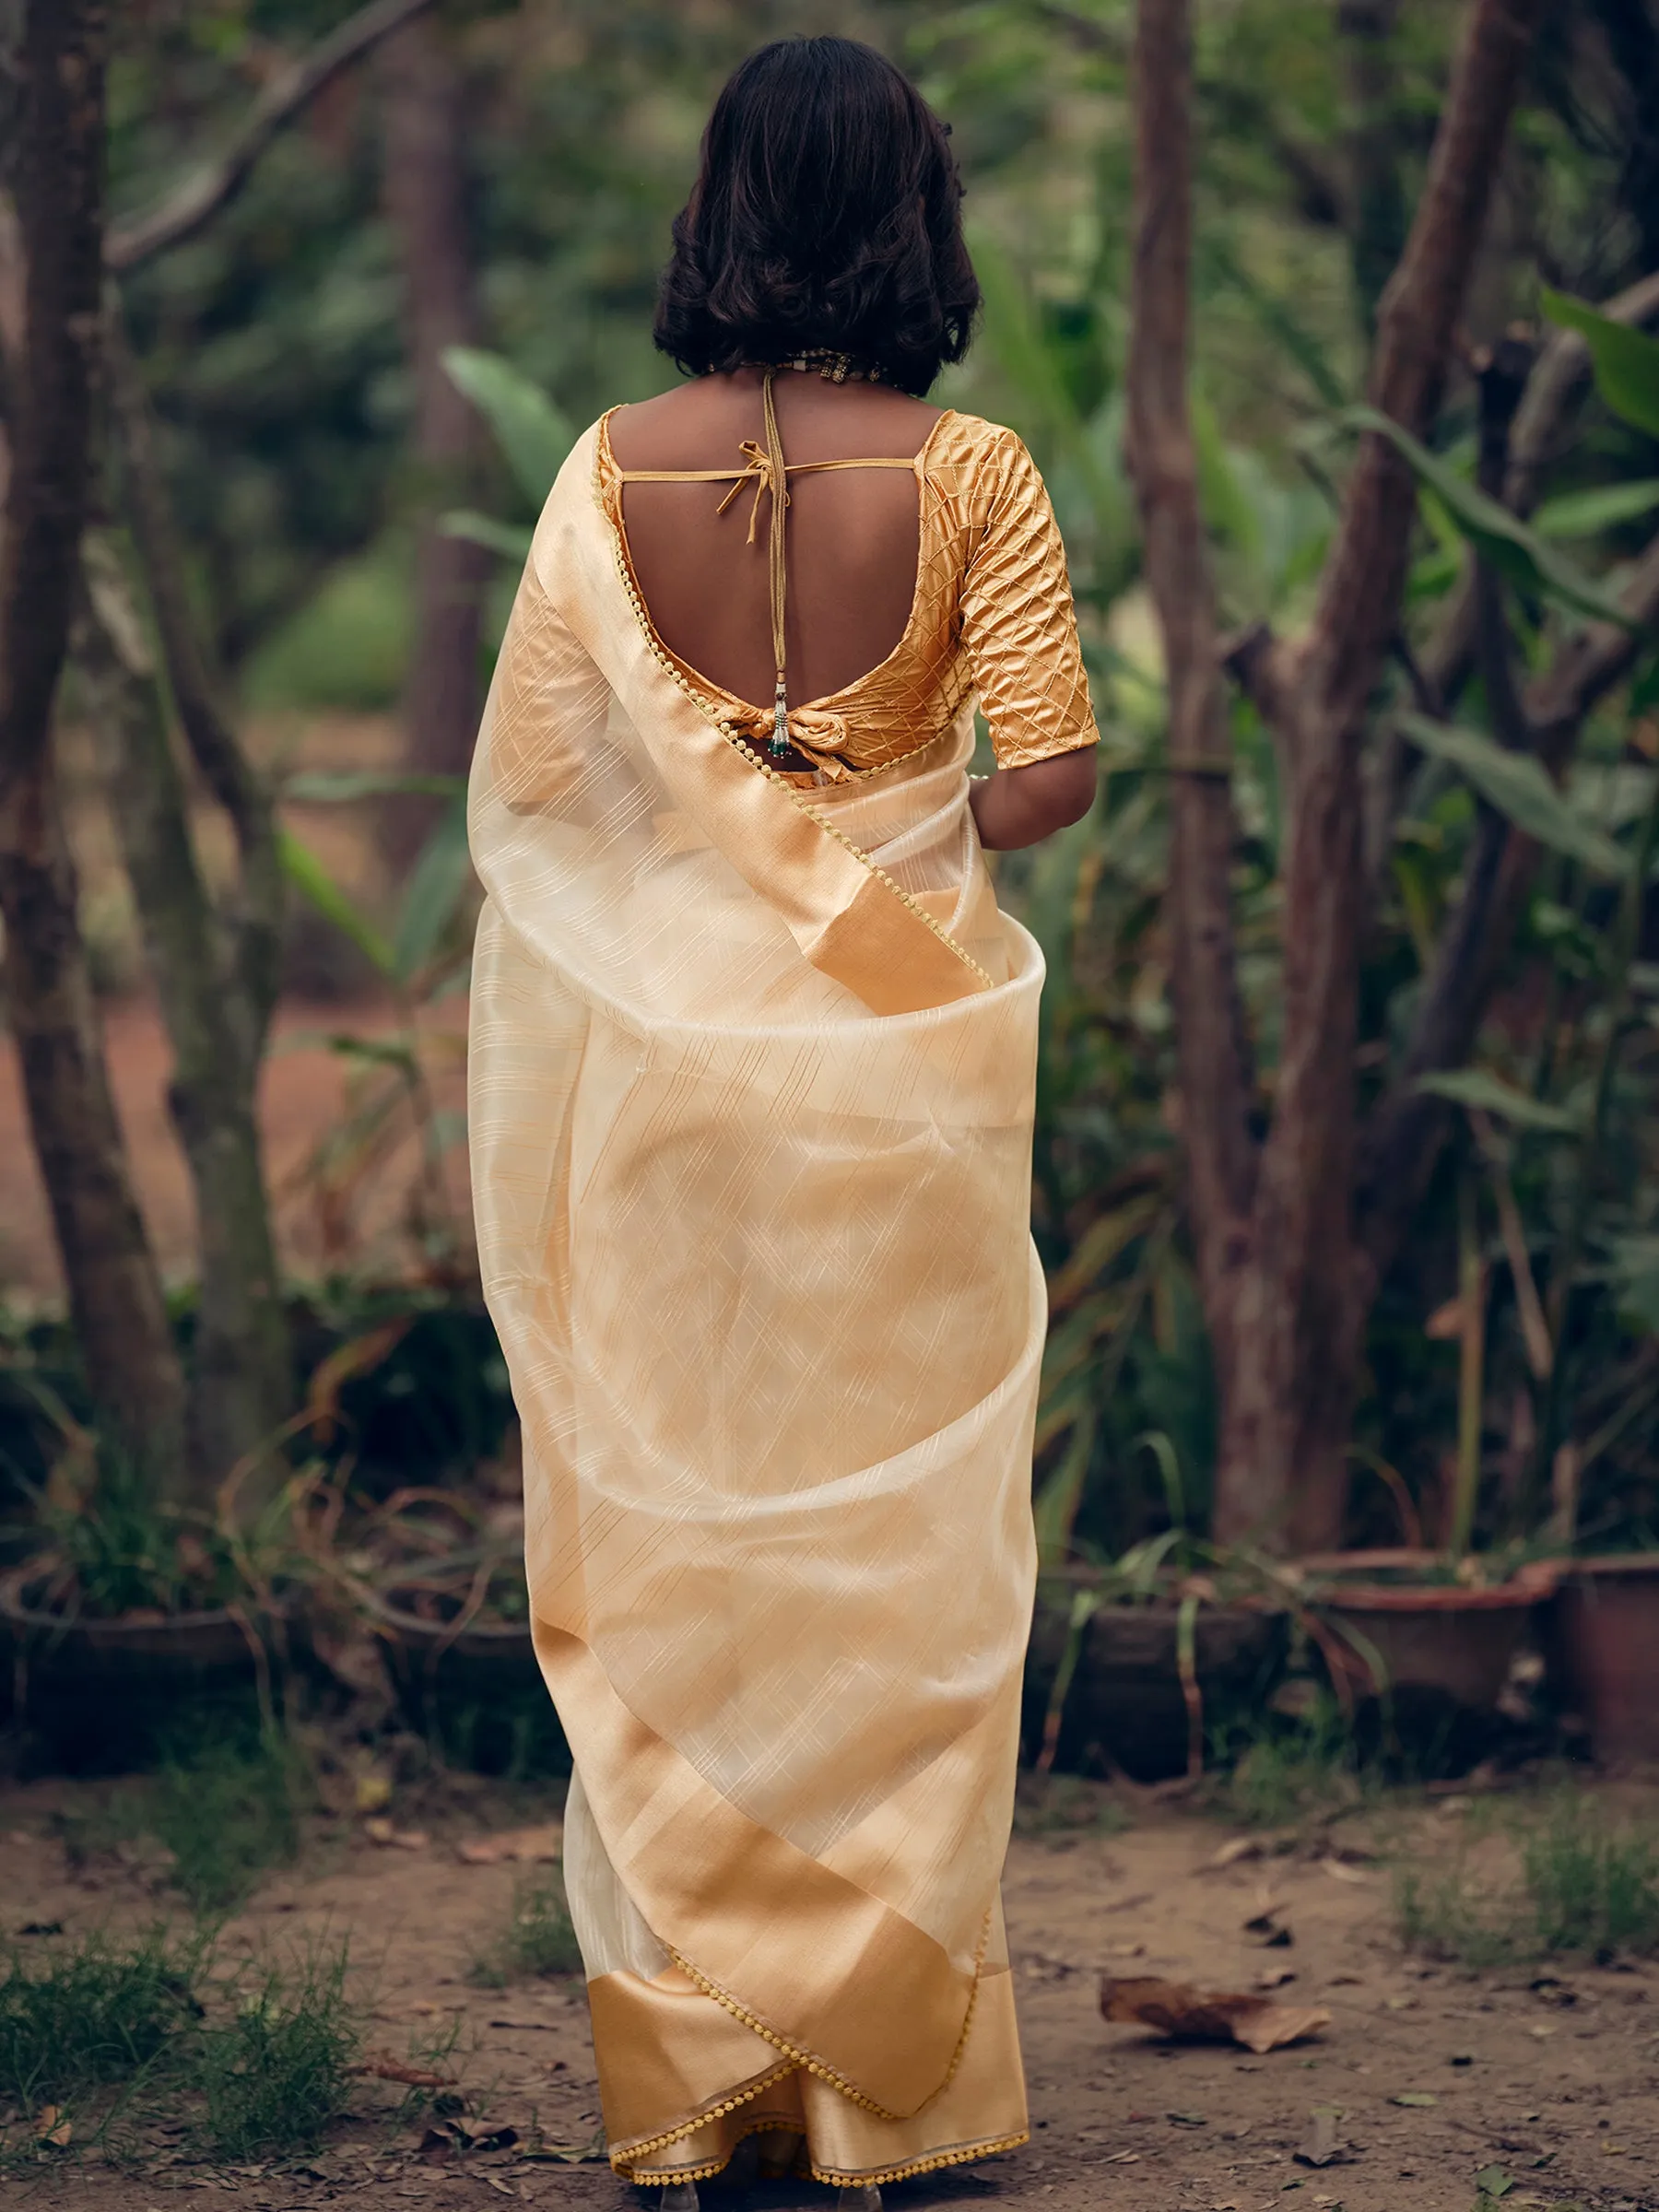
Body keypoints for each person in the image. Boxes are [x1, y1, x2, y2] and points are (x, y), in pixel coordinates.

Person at [466, 33, 1098, 2208]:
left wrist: (722, 832)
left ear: (720, 205)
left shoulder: (599, 471)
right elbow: (1055, 772)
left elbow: (547, 790)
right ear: (913, 210)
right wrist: (889, 821)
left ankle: (703, 2075)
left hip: (662, 1070)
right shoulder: (975, 471)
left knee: (686, 1548)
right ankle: (884, 2083)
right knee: (896, 1560)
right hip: (896, 1064)